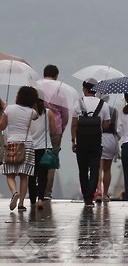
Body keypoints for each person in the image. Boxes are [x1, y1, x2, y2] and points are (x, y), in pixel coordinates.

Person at [71, 79, 110, 207]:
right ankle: (90, 194)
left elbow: (74, 124)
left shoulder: (79, 104)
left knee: (82, 169)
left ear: (84, 90)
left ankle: (86, 197)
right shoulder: (103, 105)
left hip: (81, 141)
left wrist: (73, 140)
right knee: (95, 169)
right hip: (96, 141)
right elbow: (106, 124)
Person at [0, 86, 39, 211]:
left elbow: (2, 126)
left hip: (12, 143)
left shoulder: (9, 109)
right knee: (24, 175)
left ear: (19, 96)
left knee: (9, 173)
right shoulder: (31, 112)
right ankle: (21, 203)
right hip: (27, 145)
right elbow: (36, 115)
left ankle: (14, 192)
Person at [42, 64, 68, 201]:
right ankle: (47, 192)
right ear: (56, 75)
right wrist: (62, 128)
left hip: (39, 128)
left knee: (36, 157)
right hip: (56, 129)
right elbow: (65, 113)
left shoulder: (37, 87)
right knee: (52, 160)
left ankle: (35, 188)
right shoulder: (60, 90)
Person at [28, 96, 56, 210]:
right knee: (43, 175)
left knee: (31, 175)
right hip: (45, 148)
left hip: (30, 147)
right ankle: (40, 199)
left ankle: (32, 199)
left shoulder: (29, 113)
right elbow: (54, 131)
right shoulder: (49, 113)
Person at [96, 95, 119, 203]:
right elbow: (116, 129)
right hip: (111, 139)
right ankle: (105, 194)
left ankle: (99, 192)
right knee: (107, 169)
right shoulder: (114, 111)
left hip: (99, 138)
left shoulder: (96, 109)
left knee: (98, 168)